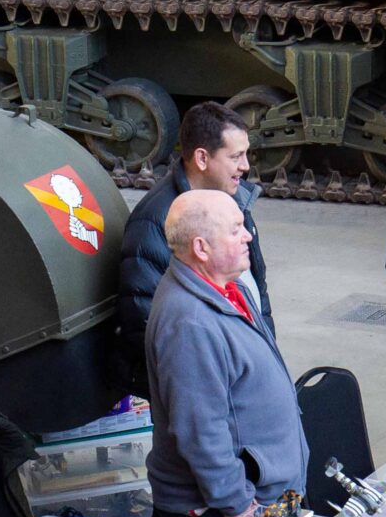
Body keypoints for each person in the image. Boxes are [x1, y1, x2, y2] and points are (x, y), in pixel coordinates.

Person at [145, 188, 309, 517]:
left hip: (238, 516)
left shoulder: (227, 289)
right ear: (201, 247)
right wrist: (239, 504)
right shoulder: (189, 321)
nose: (248, 237)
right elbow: (200, 431)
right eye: (235, 230)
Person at [116, 101, 271, 396]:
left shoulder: (231, 198)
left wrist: (264, 351)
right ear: (202, 158)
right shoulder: (154, 223)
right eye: (236, 156)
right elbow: (146, 321)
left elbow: (255, 287)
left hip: (243, 370)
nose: (246, 166)